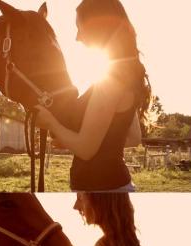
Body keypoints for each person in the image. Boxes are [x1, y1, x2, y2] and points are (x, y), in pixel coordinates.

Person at [35, 0, 151, 192]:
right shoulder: (127, 73)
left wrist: (50, 123)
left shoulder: (111, 80)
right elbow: (132, 137)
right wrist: (74, 138)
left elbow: (86, 150)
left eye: (79, 28)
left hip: (101, 188)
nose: (77, 37)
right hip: (116, 184)